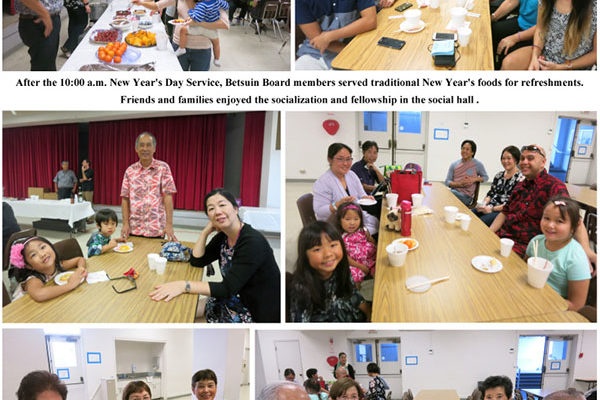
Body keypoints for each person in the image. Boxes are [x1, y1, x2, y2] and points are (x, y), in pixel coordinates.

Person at [149, 188, 281, 323]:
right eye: (211, 209)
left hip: (256, 311)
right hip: (235, 299)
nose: (217, 211)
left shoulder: (252, 242)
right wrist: (205, 232)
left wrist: (184, 285)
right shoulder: (224, 237)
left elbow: (227, 288)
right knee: (173, 312)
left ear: (235, 209)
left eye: (222, 205)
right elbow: (197, 261)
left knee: (183, 317)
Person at [490, 144, 595, 263]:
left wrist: (586, 250)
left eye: (530, 158)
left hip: (526, 249)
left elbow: (575, 220)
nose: (524, 162)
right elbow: (504, 212)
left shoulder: (553, 186)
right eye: (522, 158)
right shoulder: (520, 185)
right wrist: (489, 233)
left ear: (543, 162)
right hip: (503, 239)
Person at [288, 221, 371, 322]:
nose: (328, 254)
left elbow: (353, 293)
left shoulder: (341, 268)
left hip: (350, 315)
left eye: (333, 245)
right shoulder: (302, 288)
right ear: (305, 256)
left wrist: (369, 313)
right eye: (317, 249)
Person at [525, 197, 591, 310]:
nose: (550, 225)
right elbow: (524, 267)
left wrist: (544, 303)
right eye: (546, 218)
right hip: (528, 295)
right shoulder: (535, 242)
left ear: (573, 227)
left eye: (559, 221)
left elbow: (577, 305)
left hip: (552, 307)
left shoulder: (576, 257)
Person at [132, 0, 229, 70]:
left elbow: (225, 24)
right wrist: (141, 3)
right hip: (179, 45)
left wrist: (198, 23)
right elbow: (156, 5)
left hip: (202, 49)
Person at [501, 0, 597, 70]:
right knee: (508, 64)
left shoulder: (595, 7)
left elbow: (596, 54)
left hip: (573, 66)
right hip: (546, 54)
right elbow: (541, 28)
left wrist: (562, 67)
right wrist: (535, 56)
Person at [120, 132, 178, 241]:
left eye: (148, 145)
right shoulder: (130, 171)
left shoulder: (163, 168)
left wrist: (169, 224)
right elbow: (125, 199)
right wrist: (125, 224)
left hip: (156, 227)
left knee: (155, 256)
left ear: (154, 148)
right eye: (141, 145)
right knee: (134, 257)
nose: (145, 148)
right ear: (136, 148)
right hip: (134, 227)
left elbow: (168, 197)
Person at [313, 143, 378, 235]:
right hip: (336, 226)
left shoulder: (351, 175)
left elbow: (362, 194)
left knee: (380, 225)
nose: (345, 163)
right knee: (374, 234)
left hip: (354, 219)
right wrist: (337, 205)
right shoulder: (323, 182)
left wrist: (366, 198)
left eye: (348, 159)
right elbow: (320, 212)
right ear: (330, 159)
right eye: (340, 159)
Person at [295, 0, 377, 70]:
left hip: (353, 47)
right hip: (316, 54)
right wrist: (351, 53)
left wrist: (329, 36)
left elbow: (370, 20)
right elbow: (318, 41)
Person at [8, 236, 87, 301]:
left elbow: (80, 259)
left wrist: (80, 269)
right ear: (29, 266)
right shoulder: (33, 279)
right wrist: (70, 285)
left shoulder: (58, 265)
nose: (42, 254)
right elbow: (39, 295)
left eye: (42, 247)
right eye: (33, 255)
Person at [473, 145, 524, 226]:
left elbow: (512, 204)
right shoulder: (499, 175)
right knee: (471, 215)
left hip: (503, 211)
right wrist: (484, 204)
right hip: (490, 206)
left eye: (508, 158)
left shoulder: (521, 178)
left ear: (516, 160)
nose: (505, 161)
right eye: (503, 158)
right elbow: (491, 194)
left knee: (480, 223)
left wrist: (491, 209)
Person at [176, 0, 229, 67]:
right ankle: (217, 59)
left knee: (183, 30)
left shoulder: (202, 5)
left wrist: (191, 12)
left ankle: (181, 48)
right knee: (216, 43)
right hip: (212, 29)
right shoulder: (217, 1)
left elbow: (198, 19)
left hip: (201, 29)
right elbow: (226, 6)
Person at [335, 202, 376, 286]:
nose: (352, 223)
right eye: (347, 219)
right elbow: (345, 258)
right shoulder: (340, 238)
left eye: (356, 219)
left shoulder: (363, 230)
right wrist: (361, 267)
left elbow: (373, 242)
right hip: (355, 264)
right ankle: (356, 295)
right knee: (352, 277)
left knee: (380, 272)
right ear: (339, 220)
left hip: (371, 260)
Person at [15, 0, 63, 70]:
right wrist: (45, 14)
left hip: (51, 17)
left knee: (49, 63)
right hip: (38, 20)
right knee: (44, 66)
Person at [490, 0, 538, 69]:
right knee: (493, 30)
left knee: (505, 49)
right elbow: (511, 2)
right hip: (521, 21)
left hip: (535, 34)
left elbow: (542, 27)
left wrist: (514, 38)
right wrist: (492, 18)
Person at [445, 140, 489, 206]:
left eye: (467, 149)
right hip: (454, 192)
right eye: (463, 148)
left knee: (447, 194)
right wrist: (458, 184)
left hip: (466, 197)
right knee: (446, 192)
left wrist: (474, 179)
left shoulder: (477, 164)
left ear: (472, 152)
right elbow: (447, 181)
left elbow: (486, 177)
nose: (464, 151)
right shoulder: (454, 164)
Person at [79, 158, 95, 223]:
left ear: (87, 163)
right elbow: (80, 180)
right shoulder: (84, 171)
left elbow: (84, 178)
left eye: (83, 162)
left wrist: (83, 172)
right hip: (83, 189)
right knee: (84, 204)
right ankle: (85, 218)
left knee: (89, 204)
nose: (82, 163)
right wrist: (85, 179)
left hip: (89, 189)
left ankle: (91, 219)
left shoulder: (90, 171)